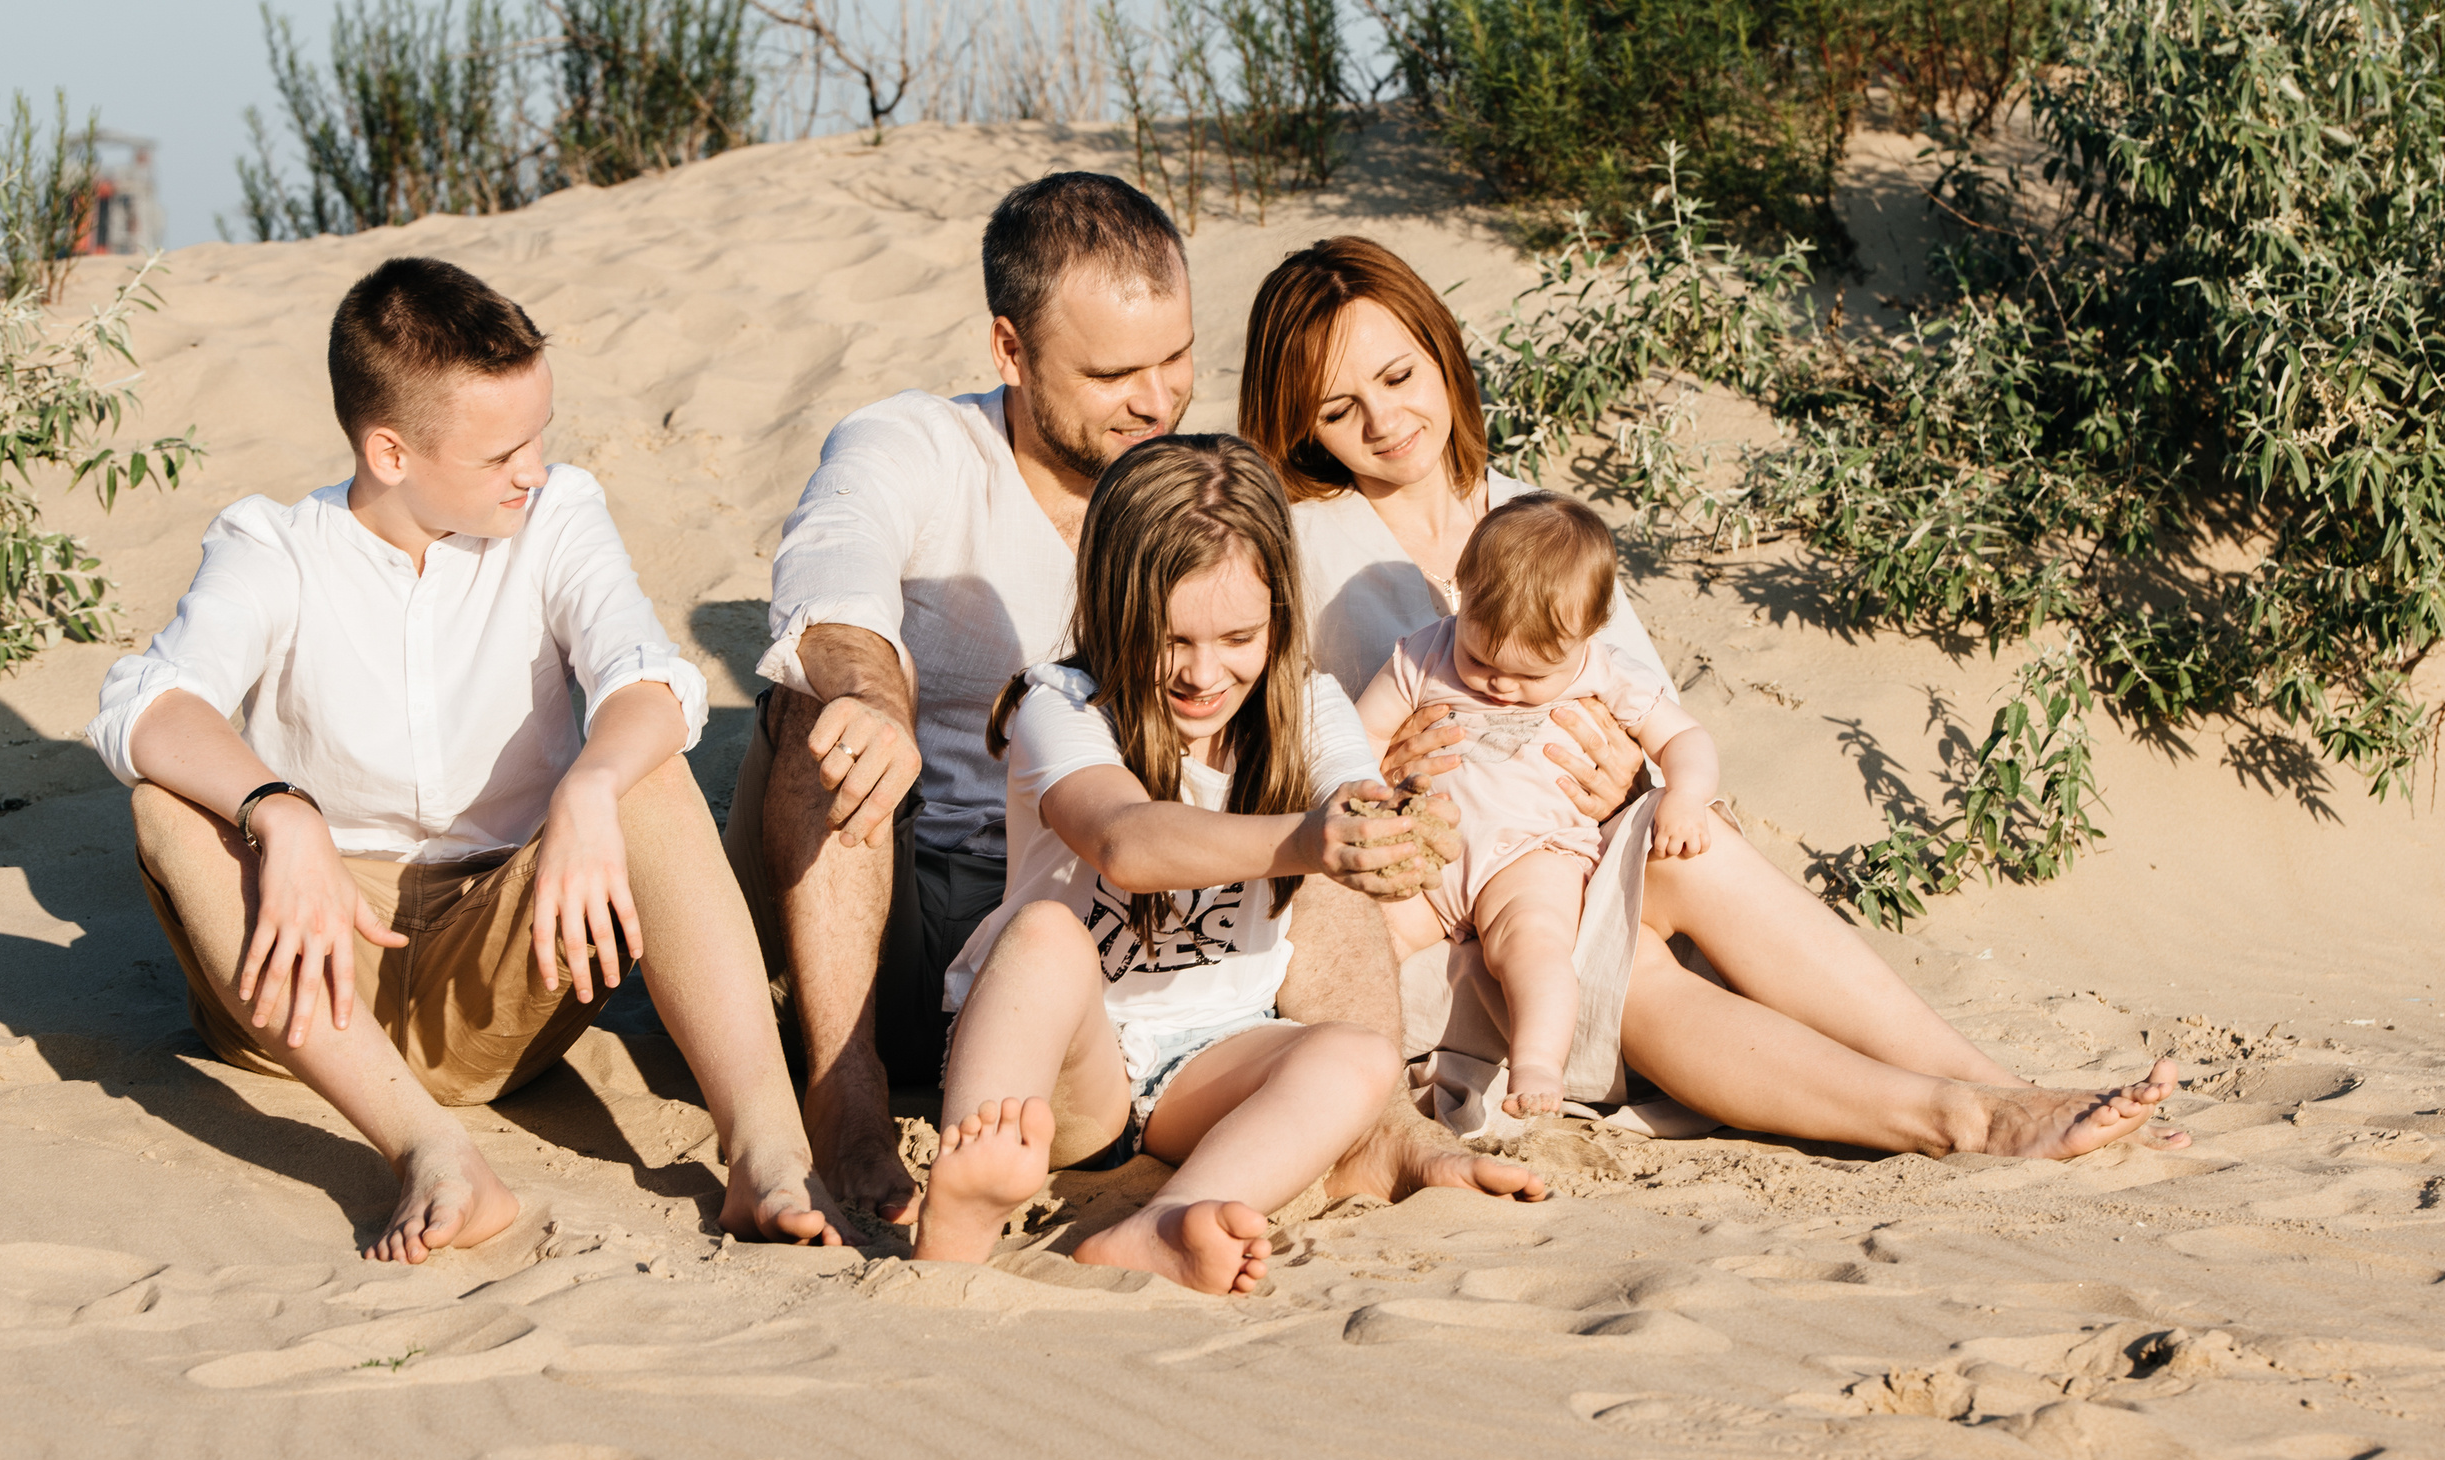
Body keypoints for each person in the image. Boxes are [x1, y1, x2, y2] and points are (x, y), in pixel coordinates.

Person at [1243, 235, 2189, 1156]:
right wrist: (1359, 769)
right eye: (1339, 407)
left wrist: (1628, 778)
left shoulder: (1535, 517)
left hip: (1568, 857)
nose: (1384, 421)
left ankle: (1993, 1089)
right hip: (1434, 922)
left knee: (1679, 845)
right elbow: (1257, 763)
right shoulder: (1301, 548)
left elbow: (1655, 725)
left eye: (1400, 377)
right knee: (1614, 960)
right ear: (1301, 426)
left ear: (1441, 351)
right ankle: (1965, 1118)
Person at [727, 174, 1543, 1225]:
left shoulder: (1193, 499)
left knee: (1321, 817)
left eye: (1174, 360)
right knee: (815, 711)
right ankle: (846, 1102)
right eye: (1113, 371)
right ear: (1010, 351)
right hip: (909, 888)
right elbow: (831, 579)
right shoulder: (918, 446)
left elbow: (1314, 688)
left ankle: (1379, 1121)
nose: (1156, 400)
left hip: (1127, 921)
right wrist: (873, 695)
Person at [89, 257, 837, 1264]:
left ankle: (768, 1153)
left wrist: (590, 783)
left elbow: (650, 676)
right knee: (167, 806)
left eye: (538, 436)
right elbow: (147, 703)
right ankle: (431, 1152)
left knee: (642, 767)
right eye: (499, 454)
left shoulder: (558, 513)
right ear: (389, 450)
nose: (530, 468)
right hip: (309, 983)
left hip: (502, 966)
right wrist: (281, 809)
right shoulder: (273, 545)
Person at [916, 437, 1405, 1293]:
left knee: (1357, 1059)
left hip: (1213, 1060)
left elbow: (1359, 803)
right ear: (1111, 609)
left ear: (1279, 616)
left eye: (1239, 637)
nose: (1203, 673)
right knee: (1043, 933)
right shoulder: (1060, 706)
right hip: (1069, 1062)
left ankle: (1167, 1218)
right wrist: (1302, 839)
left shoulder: (1308, 706)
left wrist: (1396, 830)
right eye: (1169, 637)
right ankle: (966, 1204)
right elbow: (1124, 841)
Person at [1359, 493, 1720, 1119]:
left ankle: (1537, 1065)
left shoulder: (1606, 671)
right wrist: (1370, 793)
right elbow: (1361, 736)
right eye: (1480, 658)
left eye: (1531, 676)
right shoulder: (1423, 653)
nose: (1500, 684)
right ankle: (1349, 1048)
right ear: (1461, 594)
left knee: (1534, 945)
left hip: (1533, 854)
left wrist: (1685, 796)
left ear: (1588, 631)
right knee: (1367, 939)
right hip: (1430, 852)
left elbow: (1683, 737)